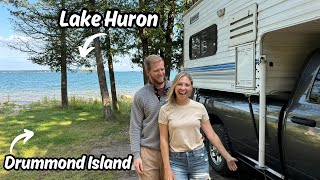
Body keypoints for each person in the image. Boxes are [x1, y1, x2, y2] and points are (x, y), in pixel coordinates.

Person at [158, 72, 238, 180]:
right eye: (179, 84)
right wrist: (167, 168)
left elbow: (212, 135)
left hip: (199, 159)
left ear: (191, 88)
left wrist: (227, 157)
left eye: (187, 85)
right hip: (176, 161)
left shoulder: (199, 108)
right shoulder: (165, 110)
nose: (183, 88)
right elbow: (163, 139)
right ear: (174, 86)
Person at [130, 54, 171, 180]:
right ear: (148, 72)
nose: (161, 73)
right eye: (156, 70)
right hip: (148, 152)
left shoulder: (175, 89)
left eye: (162, 69)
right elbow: (135, 127)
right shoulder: (140, 95)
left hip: (172, 151)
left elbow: (188, 112)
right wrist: (137, 156)